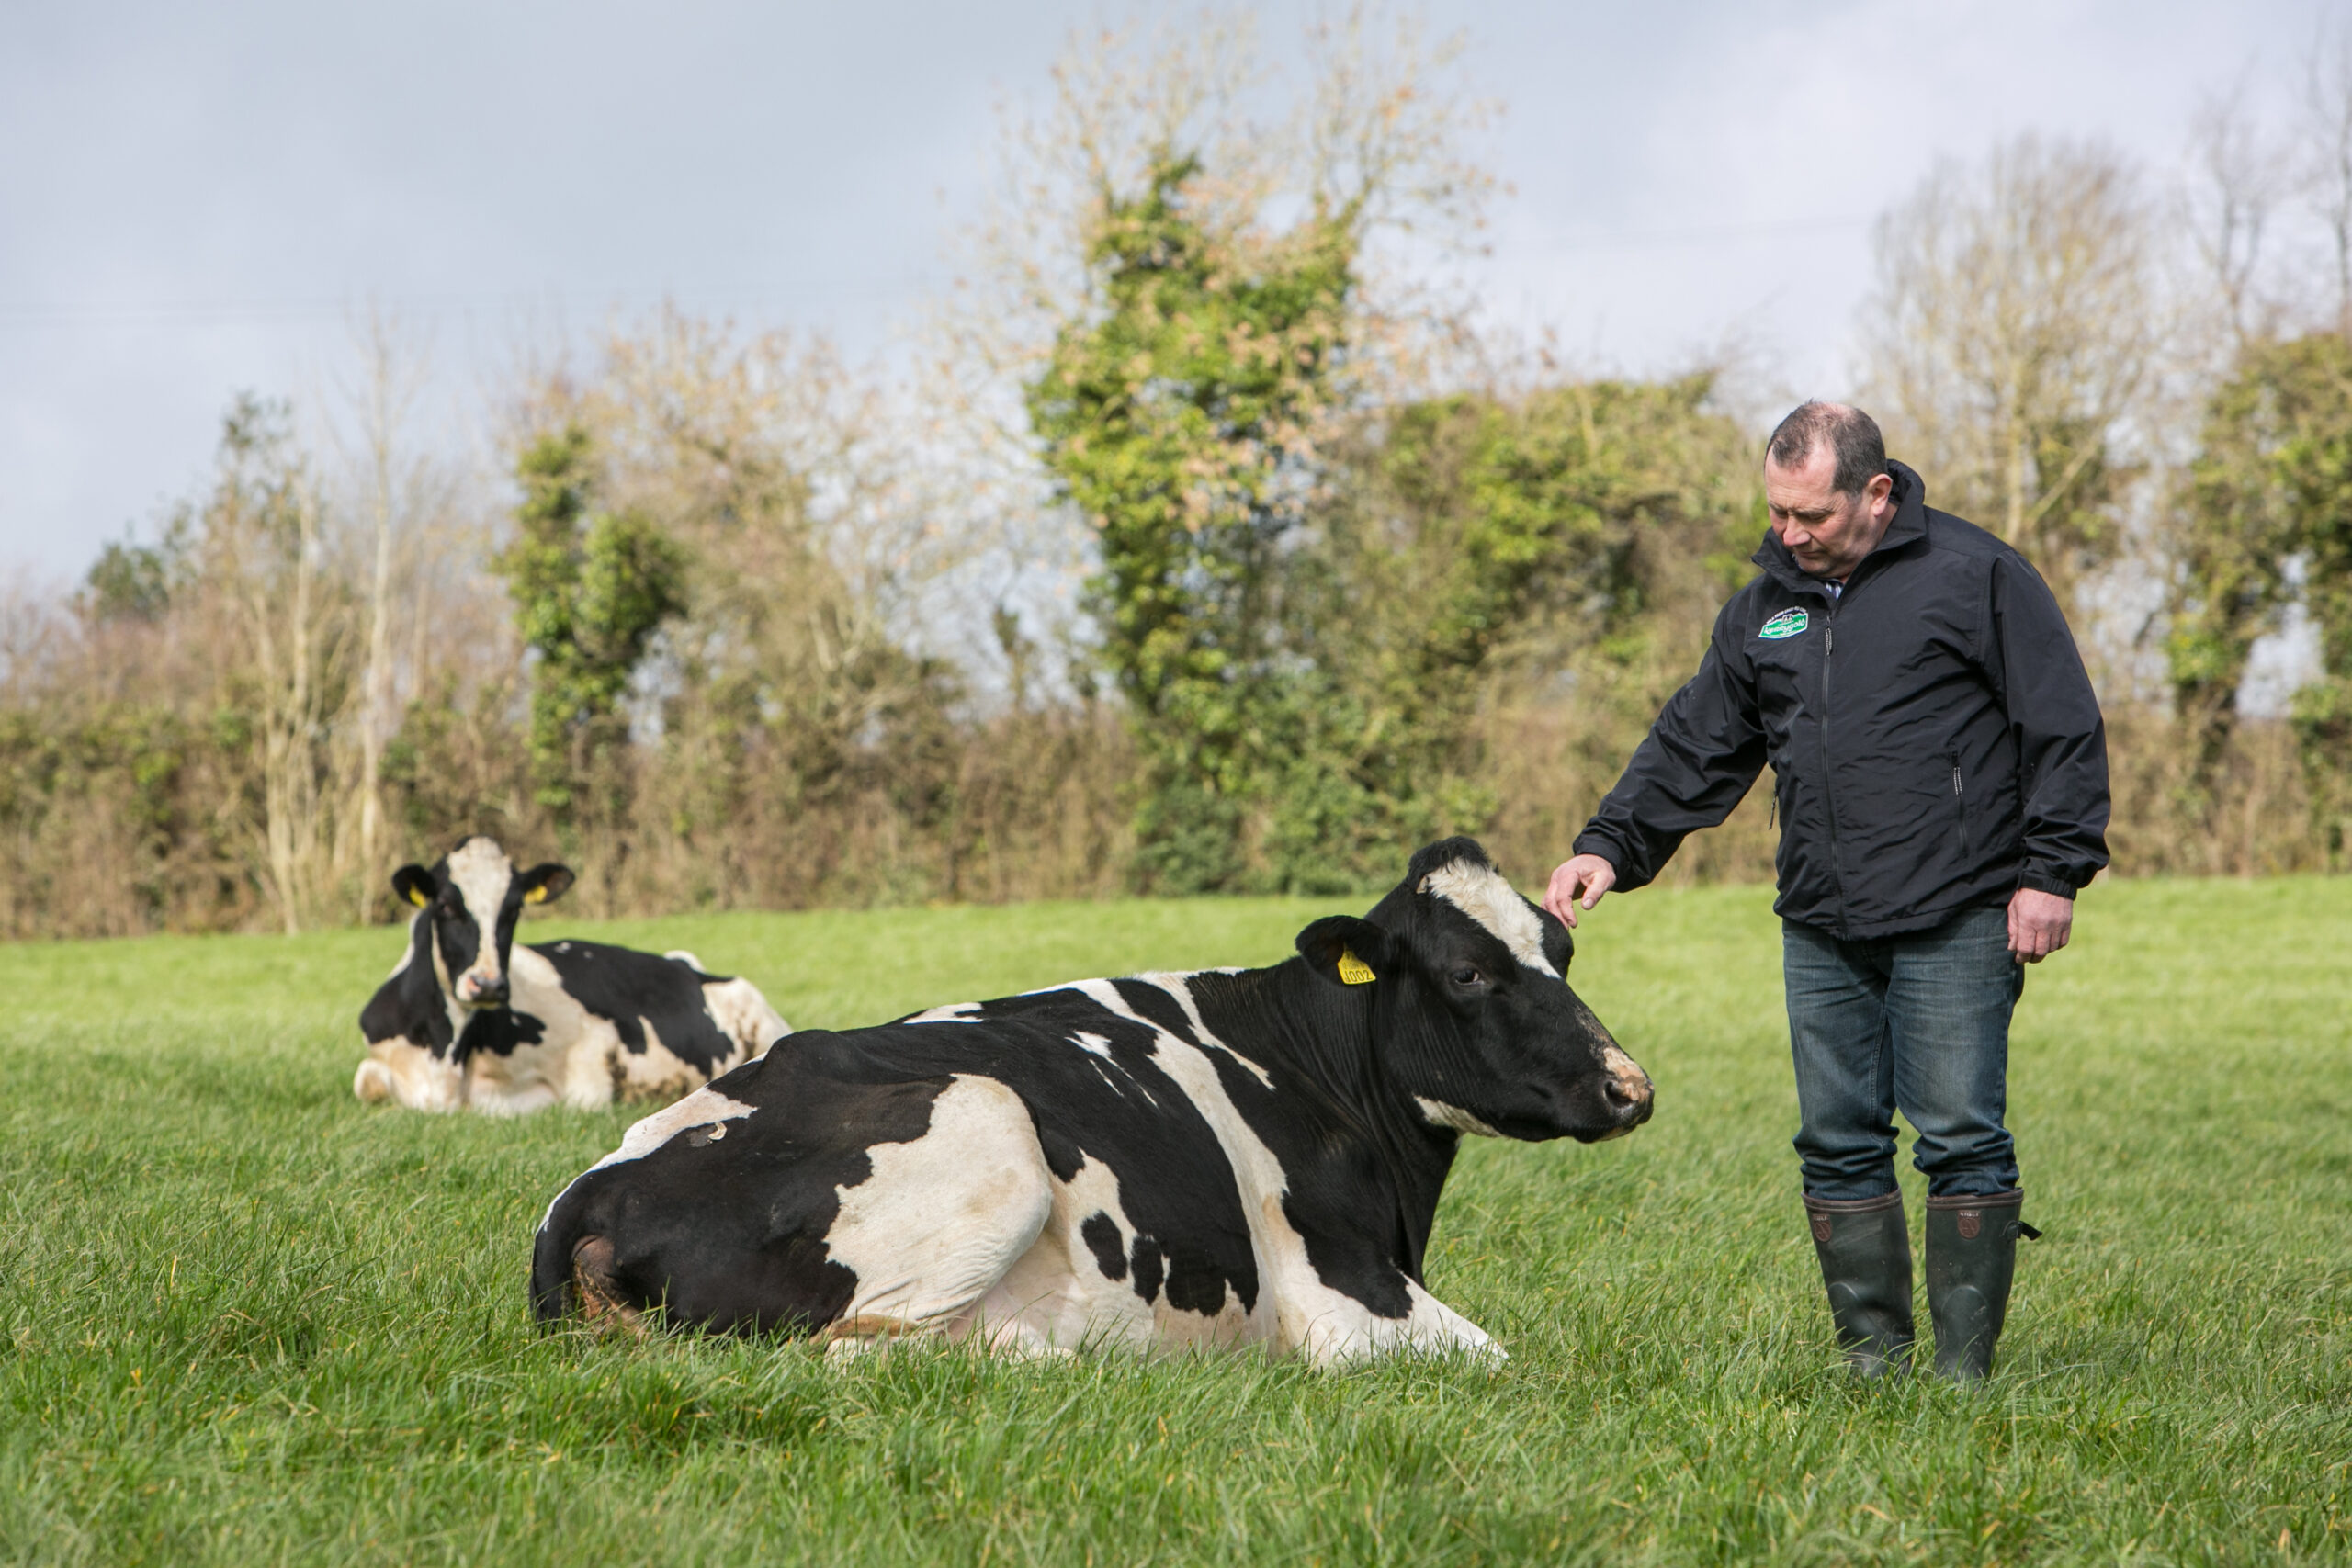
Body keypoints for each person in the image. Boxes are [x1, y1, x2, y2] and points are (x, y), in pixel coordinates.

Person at [1543, 402, 2109, 1382]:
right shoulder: (1765, 606)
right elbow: (1696, 741)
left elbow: (2059, 724)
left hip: (1959, 908)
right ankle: (1873, 1363)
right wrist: (1610, 844)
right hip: (1820, 920)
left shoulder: (1975, 576)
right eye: (1777, 514)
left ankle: (1962, 1375)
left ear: (1875, 493)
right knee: (1835, 1141)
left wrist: (2049, 874)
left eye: (1810, 516)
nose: (1789, 534)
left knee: (1959, 1136)